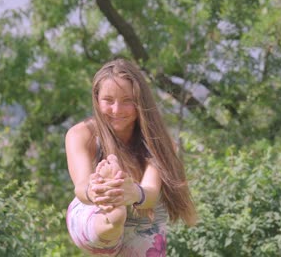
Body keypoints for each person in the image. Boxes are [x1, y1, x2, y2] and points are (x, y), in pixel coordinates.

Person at [65, 58, 197, 256]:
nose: (117, 110)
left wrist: (133, 192)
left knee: (139, 217)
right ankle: (113, 216)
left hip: (143, 223)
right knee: (113, 214)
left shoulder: (159, 141)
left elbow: (150, 193)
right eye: (108, 101)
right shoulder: (81, 134)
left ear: (140, 102)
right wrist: (98, 190)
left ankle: (116, 208)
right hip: (92, 211)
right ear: (96, 98)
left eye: (127, 101)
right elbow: (81, 186)